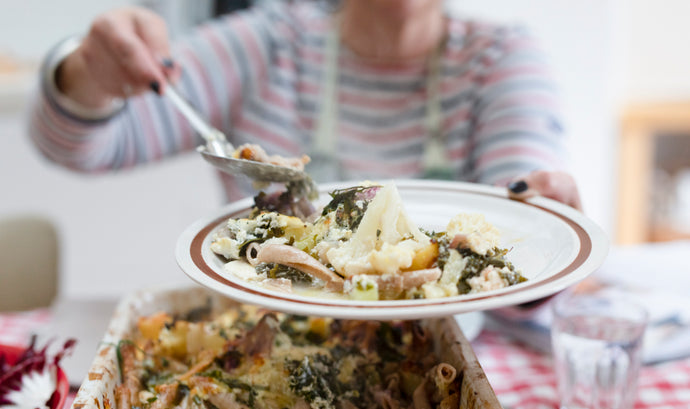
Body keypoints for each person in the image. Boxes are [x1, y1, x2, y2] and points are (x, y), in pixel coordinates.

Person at [28, 0, 581, 209]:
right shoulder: (268, 43)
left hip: (451, 353)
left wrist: (544, 217)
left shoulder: (504, 57)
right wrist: (90, 72)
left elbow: (521, 218)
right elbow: (78, 148)